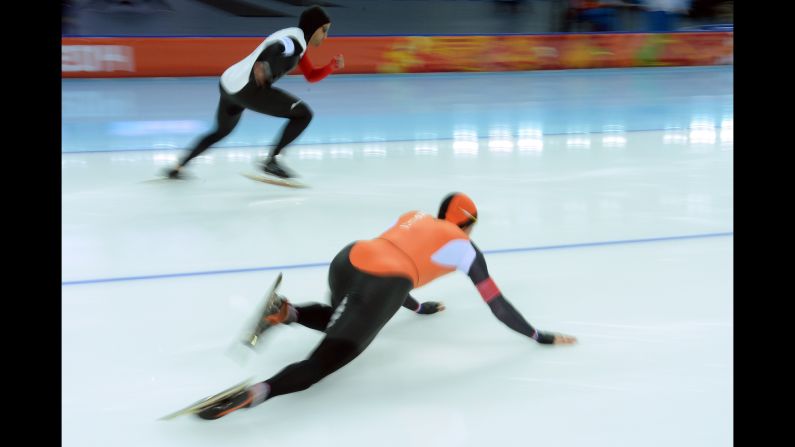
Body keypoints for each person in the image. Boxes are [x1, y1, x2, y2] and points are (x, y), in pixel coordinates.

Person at [196, 192, 577, 420]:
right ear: (469, 225)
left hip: (350, 257)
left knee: (340, 319)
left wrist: (417, 308)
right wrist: (536, 334)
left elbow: (402, 259)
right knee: (324, 361)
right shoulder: (465, 248)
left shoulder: (414, 217)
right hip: (384, 283)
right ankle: (255, 393)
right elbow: (497, 304)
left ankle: (286, 312)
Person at [166, 5, 344, 181]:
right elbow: (276, 47)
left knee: (220, 131)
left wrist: (331, 67)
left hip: (229, 84)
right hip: (248, 89)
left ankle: (179, 166)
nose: (325, 36)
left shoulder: (296, 40)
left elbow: (311, 76)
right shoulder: (294, 42)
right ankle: (271, 161)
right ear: (313, 27)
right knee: (304, 115)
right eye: (324, 30)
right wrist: (261, 64)